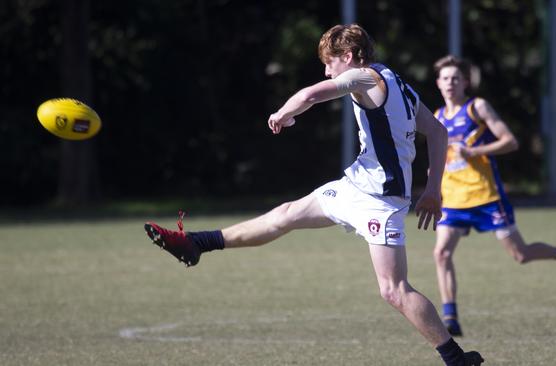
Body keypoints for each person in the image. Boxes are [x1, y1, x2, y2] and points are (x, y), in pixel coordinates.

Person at [144, 25, 483, 365]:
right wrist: (433, 188)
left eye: (329, 62)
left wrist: (282, 114)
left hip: (381, 200)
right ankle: (197, 244)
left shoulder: (364, 77)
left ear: (348, 57)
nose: (326, 70)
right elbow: (437, 132)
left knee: (394, 289)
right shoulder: (397, 82)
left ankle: (456, 358)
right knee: (286, 214)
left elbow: (311, 95)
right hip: (357, 185)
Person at [430, 55, 556, 337]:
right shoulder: (437, 117)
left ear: (465, 82)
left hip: (486, 196)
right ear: (438, 83)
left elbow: (510, 141)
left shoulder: (477, 108)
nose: (450, 83)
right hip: (454, 198)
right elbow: (440, 158)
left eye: (455, 78)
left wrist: (473, 152)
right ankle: (451, 318)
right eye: (445, 78)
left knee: (520, 255)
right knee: (441, 253)